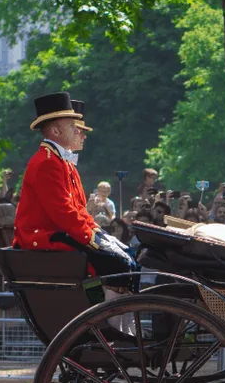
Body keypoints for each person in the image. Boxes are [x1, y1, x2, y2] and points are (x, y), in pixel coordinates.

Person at [12, 92, 135, 290]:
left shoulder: (58, 161)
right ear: (55, 131)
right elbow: (64, 213)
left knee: (123, 258)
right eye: (72, 126)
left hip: (57, 232)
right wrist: (95, 240)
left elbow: (77, 210)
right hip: (43, 236)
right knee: (113, 262)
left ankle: (111, 310)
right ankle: (108, 311)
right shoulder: (47, 163)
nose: (79, 132)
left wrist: (99, 234)